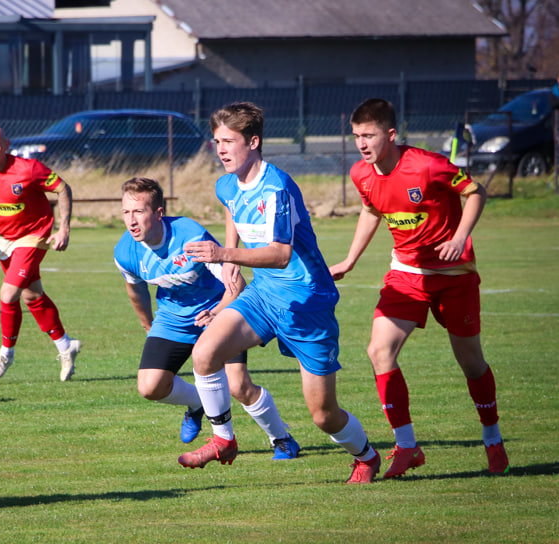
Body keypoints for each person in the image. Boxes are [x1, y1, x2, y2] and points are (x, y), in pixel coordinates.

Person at [180, 102, 380, 483]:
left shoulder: (277, 187)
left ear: (253, 142)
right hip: (264, 296)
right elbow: (231, 207)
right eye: (217, 141)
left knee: (323, 414)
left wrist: (224, 253)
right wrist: (230, 260)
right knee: (204, 353)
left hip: (307, 304)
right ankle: (223, 439)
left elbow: (280, 253)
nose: (220, 149)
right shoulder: (226, 183)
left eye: (229, 141)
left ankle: (366, 456)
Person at [329, 97, 509, 478]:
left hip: (454, 276)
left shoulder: (427, 166)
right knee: (380, 350)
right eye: (357, 135)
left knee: (471, 362)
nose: (362, 143)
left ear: (390, 134)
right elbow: (371, 209)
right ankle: (407, 447)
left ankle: (492, 439)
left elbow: (476, 192)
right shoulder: (361, 173)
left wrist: (461, 236)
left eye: (370, 135)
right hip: (406, 275)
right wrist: (350, 259)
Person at [114, 177, 300, 459]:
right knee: (150, 386)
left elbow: (235, 283)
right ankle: (200, 403)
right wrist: (148, 325)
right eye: (126, 212)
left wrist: (217, 312)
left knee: (238, 385)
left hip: (220, 308)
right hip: (173, 318)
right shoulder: (125, 252)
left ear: (159, 213)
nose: (132, 221)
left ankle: (281, 438)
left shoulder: (188, 236)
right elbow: (135, 290)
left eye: (139, 211)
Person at [0, 123, 81, 382]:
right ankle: (65, 346)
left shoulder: (28, 169)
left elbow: (62, 188)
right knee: (32, 296)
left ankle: (6, 353)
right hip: (4, 240)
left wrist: (64, 227)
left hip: (34, 236)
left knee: (8, 292)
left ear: (6, 145)